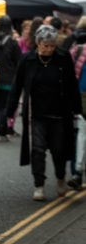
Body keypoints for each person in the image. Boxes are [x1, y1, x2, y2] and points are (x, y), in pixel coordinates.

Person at [6, 25, 81, 201]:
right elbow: (17, 86)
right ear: (38, 43)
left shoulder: (63, 58)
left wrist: (78, 109)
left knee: (59, 150)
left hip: (60, 114)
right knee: (38, 150)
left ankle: (61, 178)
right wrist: (9, 112)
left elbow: (72, 86)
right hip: (36, 115)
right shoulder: (27, 60)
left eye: (52, 46)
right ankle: (38, 185)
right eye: (45, 45)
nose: (49, 49)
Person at [0, 15, 21, 141]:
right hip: (8, 79)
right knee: (6, 106)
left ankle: (2, 131)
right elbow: (19, 62)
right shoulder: (12, 43)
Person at [68, 16, 86, 189]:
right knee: (81, 133)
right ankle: (78, 172)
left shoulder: (76, 49)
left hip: (79, 95)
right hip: (80, 97)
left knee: (81, 134)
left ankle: (78, 172)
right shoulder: (78, 50)